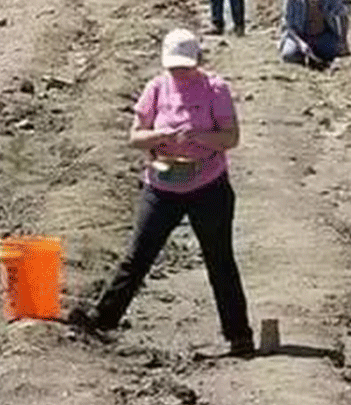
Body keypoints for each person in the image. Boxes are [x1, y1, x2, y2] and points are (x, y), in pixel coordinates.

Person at [68, 29, 255, 356]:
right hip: (162, 187)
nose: (179, 73)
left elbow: (230, 138)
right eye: (174, 67)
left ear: (198, 60)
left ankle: (239, 334)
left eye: (185, 66)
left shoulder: (216, 89)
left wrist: (198, 136)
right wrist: (161, 135)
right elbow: (135, 137)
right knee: (138, 255)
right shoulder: (156, 88)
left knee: (219, 260)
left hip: (208, 186)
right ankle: (104, 318)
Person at [279, 0, 351, 69]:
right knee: (289, 55)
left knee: (334, 52)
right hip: (300, 37)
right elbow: (288, 27)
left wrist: (343, 42)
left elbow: (343, 17)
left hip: (323, 36)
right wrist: (301, 44)